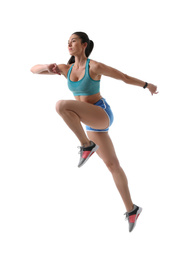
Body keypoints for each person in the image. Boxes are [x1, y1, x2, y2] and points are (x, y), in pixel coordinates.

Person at [30, 31, 158, 232]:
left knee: (61, 105)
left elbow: (123, 77)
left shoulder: (94, 66)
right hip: (89, 122)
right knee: (112, 165)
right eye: (68, 42)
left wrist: (147, 85)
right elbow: (33, 70)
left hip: (100, 113)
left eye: (73, 41)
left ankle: (86, 145)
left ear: (84, 44)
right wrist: (47, 67)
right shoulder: (66, 68)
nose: (69, 44)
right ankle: (132, 210)